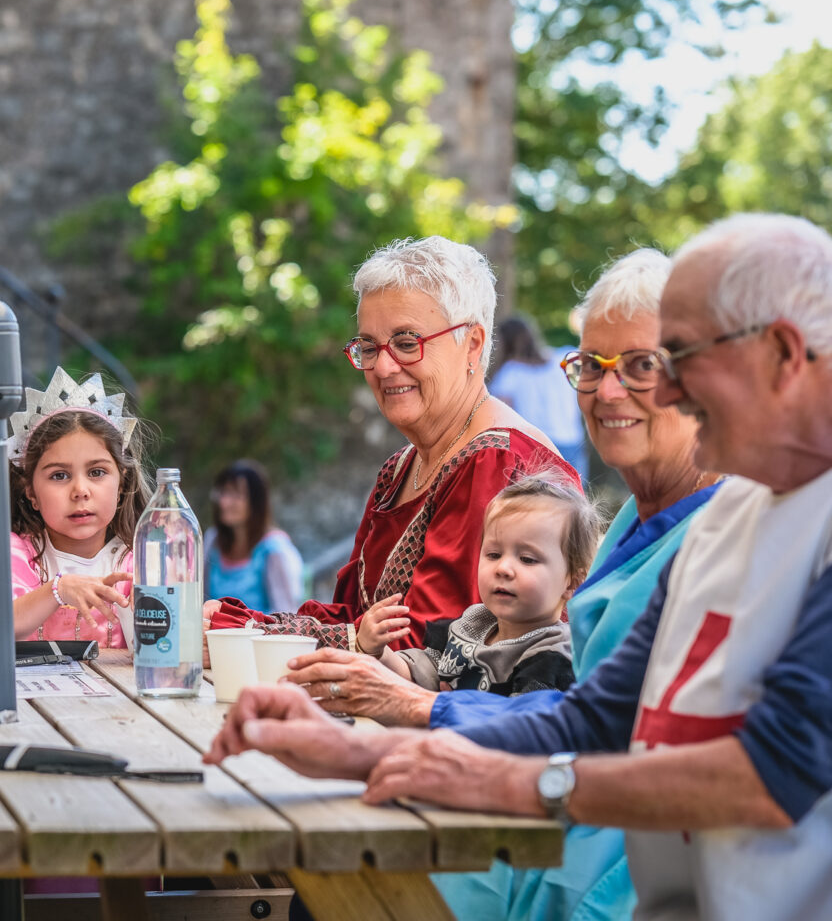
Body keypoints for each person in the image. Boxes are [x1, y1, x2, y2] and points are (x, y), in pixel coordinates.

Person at [205, 214, 832, 921]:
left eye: (669, 359)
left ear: (781, 354)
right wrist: (354, 753)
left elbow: (771, 771)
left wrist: (519, 780)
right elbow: (593, 716)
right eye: (592, 367)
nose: (657, 391)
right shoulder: (730, 511)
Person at [285, 247, 724, 921]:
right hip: (568, 818)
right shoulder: (639, 523)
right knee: (328, 861)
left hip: (635, 864)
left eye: (641, 366)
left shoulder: (729, 534)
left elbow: (620, 735)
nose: (607, 392)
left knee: (339, 868)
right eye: (590, 368)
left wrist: (415, 711)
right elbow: (589, 714)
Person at [207, 236, 577, 651]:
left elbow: (431, 646)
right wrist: (234, 623)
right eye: (369, 347)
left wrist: (249, 634)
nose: (383, 367)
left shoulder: (499, 460)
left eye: (406, 343)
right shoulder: (400, 469)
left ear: (472, 343)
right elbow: (354, 619)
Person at [0, 367, 150, 647]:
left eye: (96, 472)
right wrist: (58, 589)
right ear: (30, 491)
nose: (80, 491)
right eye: (59, 476)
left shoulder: (144, 563)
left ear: (121, 483)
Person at [361, 471, 595, 698]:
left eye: (527, 559)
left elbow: (518, 728)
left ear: (573, 582)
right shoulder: (473, 623)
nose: (503, 569)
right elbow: (420, 674)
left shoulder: (552, 659)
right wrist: (379, 653)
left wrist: (442, 706)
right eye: (493, 554)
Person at [489, 315, 589, 480]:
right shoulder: (564, 359)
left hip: (536, 448)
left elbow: (501, 418)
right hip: (573, 442)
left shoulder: (510, 373)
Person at [205, 459, 304, 613]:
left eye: (235, 494)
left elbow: (287, 615)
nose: (224, 502)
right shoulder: (213, 541)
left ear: (256, 501)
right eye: (223, 493)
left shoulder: (274, 550)